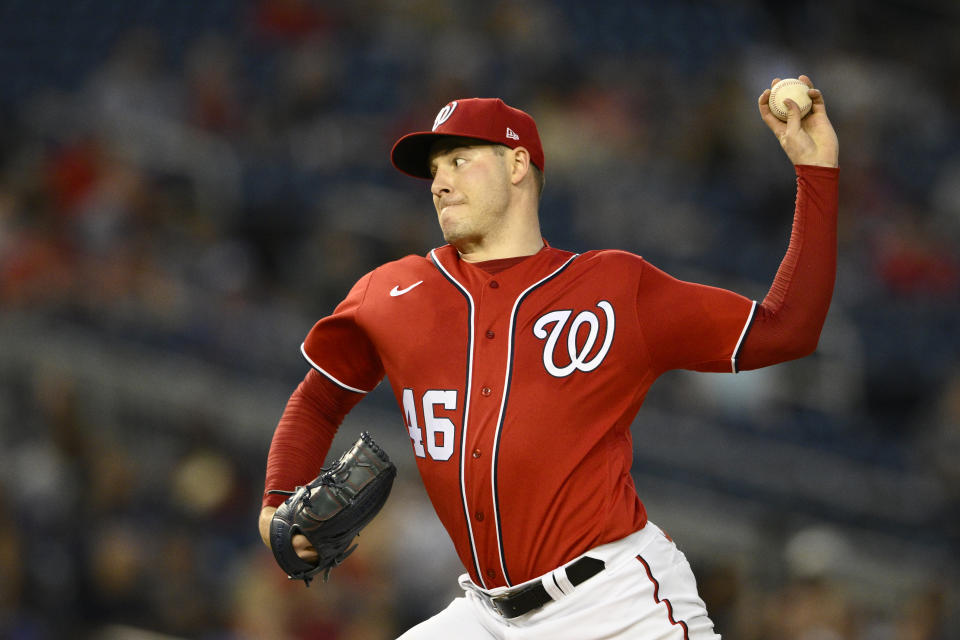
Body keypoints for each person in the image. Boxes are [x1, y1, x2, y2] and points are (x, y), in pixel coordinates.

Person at [258, 75, 839, 639]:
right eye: (434, 170)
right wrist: (276, 501)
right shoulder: (390, 293)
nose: (439, 182)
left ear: (517, 165)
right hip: (485, 613)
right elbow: (317, 401)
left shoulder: (615, 288)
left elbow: (787, 329)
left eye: (460, 160)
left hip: (615, 604)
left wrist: (816, 172)